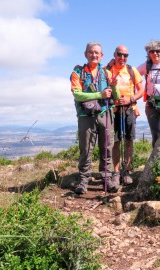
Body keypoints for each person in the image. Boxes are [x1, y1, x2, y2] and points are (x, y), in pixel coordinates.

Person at [70, 41, 119, 194]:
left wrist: (114, 86)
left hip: (105, 113)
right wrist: (100, 94)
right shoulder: (78, 73)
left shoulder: (106, 73)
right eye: (91, 52)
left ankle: (106, 178)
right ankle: (83, 180)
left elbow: (115, 97)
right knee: (85, 148)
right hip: (86, 116)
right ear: (86, 54)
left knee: (107, 148)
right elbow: (77, 95)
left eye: (97, 52)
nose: (94, 55)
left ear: (101, 55)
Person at [107, 45, 144, 185]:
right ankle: (116, 172)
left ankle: (126, 171)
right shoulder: (108, 70)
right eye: (119, 54)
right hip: (113, 110)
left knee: (129, 140)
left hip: (129, 109)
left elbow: (141, 90)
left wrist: (131, 99)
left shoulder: (132, 70)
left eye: (125, 55)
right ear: (114, 54)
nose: (122, 57)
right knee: (115, 141)